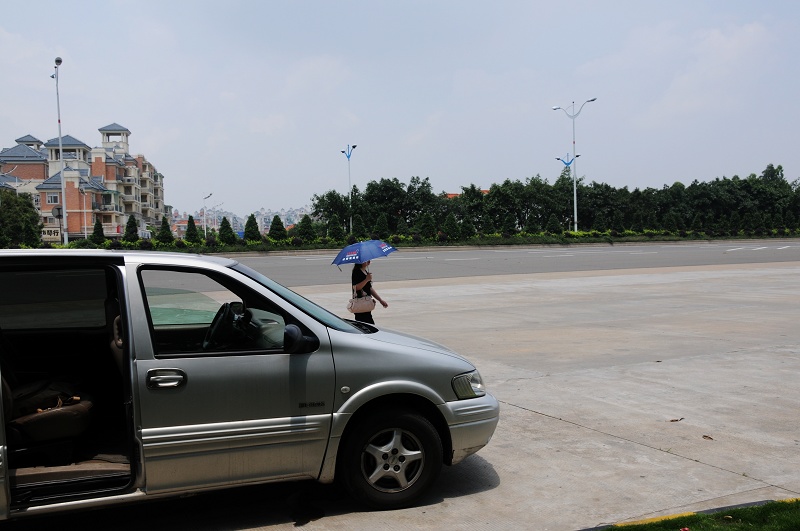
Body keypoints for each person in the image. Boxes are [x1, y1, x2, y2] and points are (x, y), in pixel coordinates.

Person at [351, 260, 388, 324]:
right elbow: (356, 287)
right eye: (365, 260)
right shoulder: (356, 272)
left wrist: (380, 300)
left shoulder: (365, 271)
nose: (368, 261)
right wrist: (366, 279)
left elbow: (369, 288)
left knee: (367, 324)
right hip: (360, 302)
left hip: (365, 303)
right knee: (366, 324)